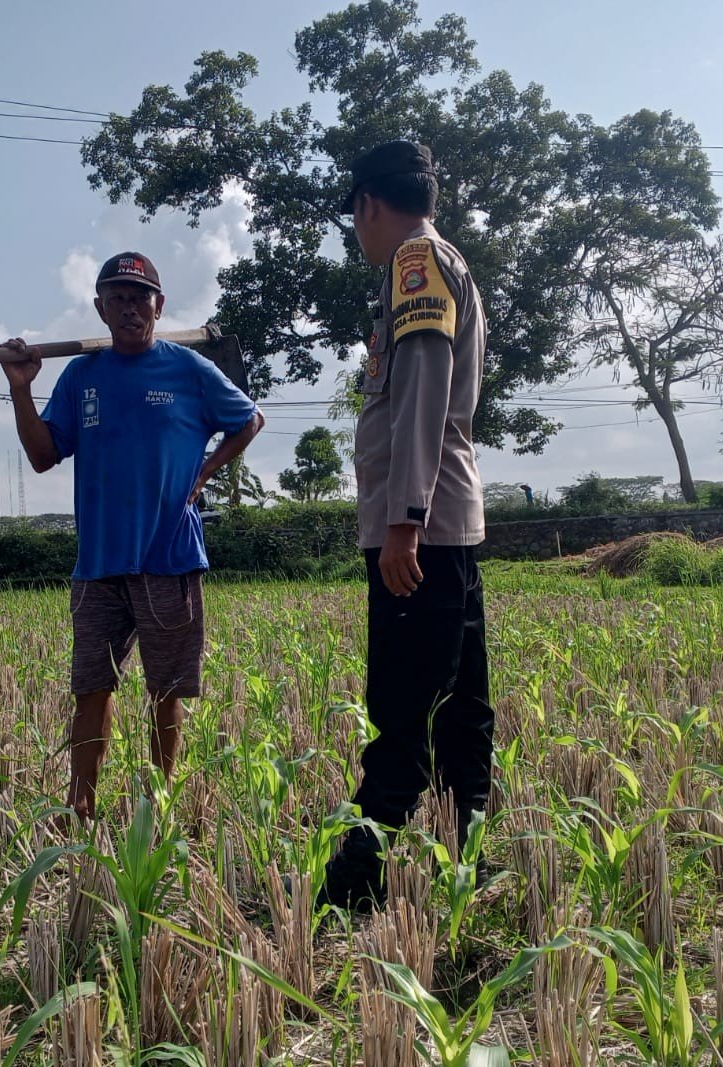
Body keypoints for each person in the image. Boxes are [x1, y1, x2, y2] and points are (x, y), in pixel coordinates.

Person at [0, 252, 264, 822]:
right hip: (97, 566)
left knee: (165, 692)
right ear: (99, 308)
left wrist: (205, 473)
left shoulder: (188, 368)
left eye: (139, 297)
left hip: (168, 557)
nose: (129, 307)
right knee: (91, 689)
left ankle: (158, 807)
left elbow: (249, 419)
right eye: (116, 297)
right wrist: (21, 389)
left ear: (158, 306)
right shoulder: (81, 376)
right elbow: (44, 455)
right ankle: (82, 807)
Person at [320, 141, 492, 912]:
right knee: (460, 707)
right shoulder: (444, 260)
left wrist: (404, 522)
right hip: (451, 522)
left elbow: (420, 391)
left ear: (368, 205)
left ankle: (357, 880)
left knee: (401, 706)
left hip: (420, 528)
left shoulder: (414, 266)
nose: (357, 234)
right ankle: (471, 857)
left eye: (354, 218)